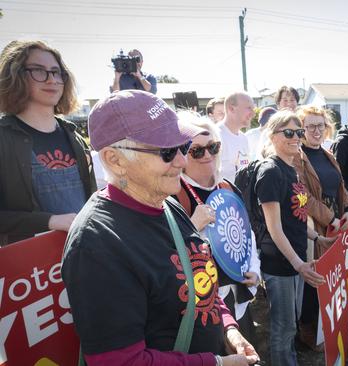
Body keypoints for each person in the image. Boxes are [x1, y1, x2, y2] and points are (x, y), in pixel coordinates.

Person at [62, 90, 259, 366]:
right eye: (166, 152)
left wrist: (229, 329)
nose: (181, 160)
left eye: (181, 147)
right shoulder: (97, 243)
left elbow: (202, 283)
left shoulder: (167, 204)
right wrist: (217, 362)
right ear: (114, 160)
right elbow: (121, 361)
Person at [172, 112, 262, 343]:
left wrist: (253, 268)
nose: (207, 155)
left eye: (213, 146)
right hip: (201, 304)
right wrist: (193, 225)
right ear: (181, 153)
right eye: (196, 150)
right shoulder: (173, 194)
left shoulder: (227, 187)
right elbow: (165, 251)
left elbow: (246, 233)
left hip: (236, 293)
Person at [0, 40, 96, 246]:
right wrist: (50, 221)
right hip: (33, 270)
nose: (51, 79)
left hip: (85, 254)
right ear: (15, 75)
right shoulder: (3, 138)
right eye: (38, 71)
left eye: (56, 72)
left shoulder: (75, 137)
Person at [255, 110, 326, 365]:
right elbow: (275, 228)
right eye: (288, 132)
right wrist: (299, 264)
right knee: (283, 327)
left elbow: (294, 217)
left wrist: (317, 237)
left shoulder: (292, 169)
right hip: (281, 264)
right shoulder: (271, 171)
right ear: (272, 136)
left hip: (296, 261)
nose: (296, 137)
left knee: (291, 324)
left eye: (299, 132)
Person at [293, 105, 348, 350]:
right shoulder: (297, 157)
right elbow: (303, 197)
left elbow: (340, 186)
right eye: (310, 126)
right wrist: (331, 219)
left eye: (320, 125)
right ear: (301, 129)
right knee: (314, 278)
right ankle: (308, 333)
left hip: (336, 224)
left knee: (332, 276)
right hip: (314, 226)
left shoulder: (328, 153)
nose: (316, 131)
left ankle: (328, 326)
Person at [217, 92, 255, 182]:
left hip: (241, 194)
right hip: (224, 194)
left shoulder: (243, 138)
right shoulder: (216, 135)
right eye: (249, 108)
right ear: (231, 109)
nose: (253, 114)